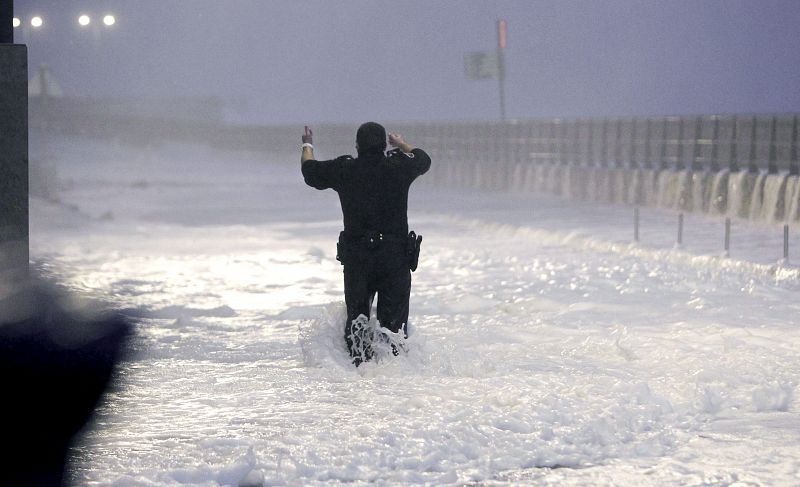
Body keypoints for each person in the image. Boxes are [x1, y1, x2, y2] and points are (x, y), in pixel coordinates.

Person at [301, 122, 431, 366]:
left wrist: (307, 144)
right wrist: (402, 144)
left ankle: (360, 373)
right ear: (384, 145)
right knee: (393, 332)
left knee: (357, 326)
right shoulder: (399, 167)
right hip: (394, 258)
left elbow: (309, 170)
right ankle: (394, 375)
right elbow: (423, 159)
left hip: (358, 258)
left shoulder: (345, 169)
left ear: (357, 146)